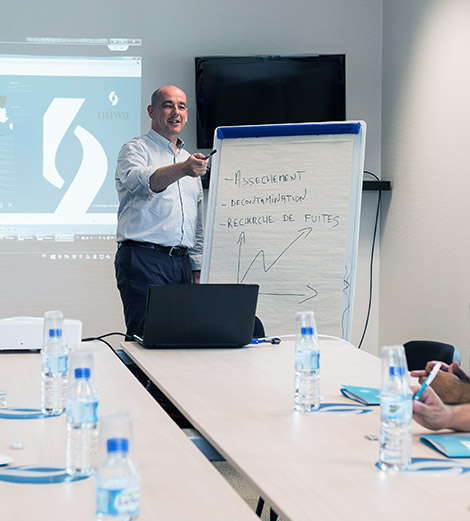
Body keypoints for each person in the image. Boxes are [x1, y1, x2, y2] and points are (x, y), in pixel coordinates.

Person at [114, 85, 208, 338]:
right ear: (151, 111)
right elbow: (144, 182)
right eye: (168, 105)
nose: (175, 112)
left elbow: (195, 222)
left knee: (182, 336)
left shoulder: (190, 159)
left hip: (182, 263)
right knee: (147, 336)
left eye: (182, 106)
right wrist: (183, 169)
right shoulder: (135, 149)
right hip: (144, 259)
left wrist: (197, 269)